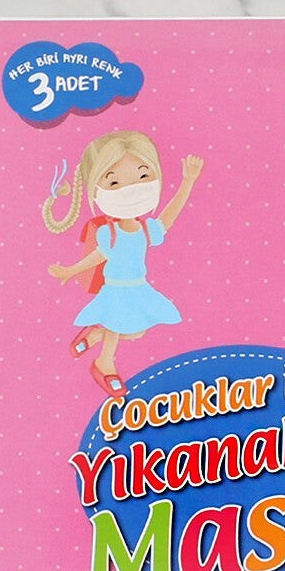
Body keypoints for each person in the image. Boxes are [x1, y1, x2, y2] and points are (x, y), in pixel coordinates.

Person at [43, 130, 204, 398]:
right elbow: (100, 255)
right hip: (117, 289)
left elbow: (169, 217)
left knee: (137, 331)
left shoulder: (145, 229)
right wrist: (71, 270)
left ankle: (95, 336)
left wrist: (188, 182)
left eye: (143, 176)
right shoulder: (109, 233)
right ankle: (104, 363)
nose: (131, 190)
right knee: (119, 326)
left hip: (138, 288)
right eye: (114, 182)